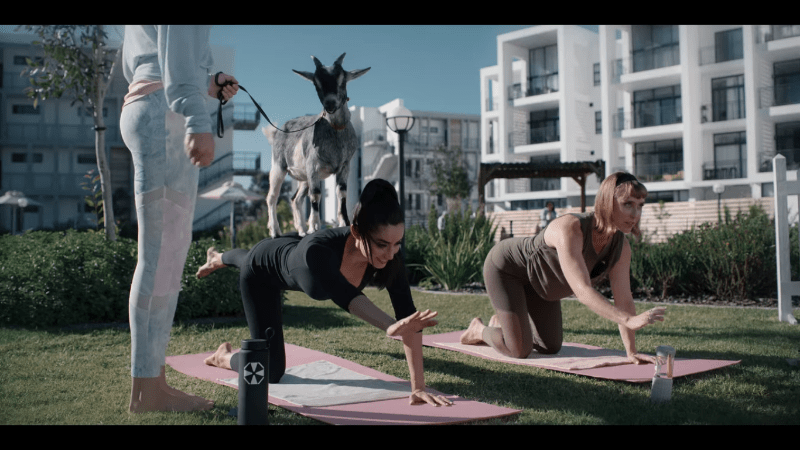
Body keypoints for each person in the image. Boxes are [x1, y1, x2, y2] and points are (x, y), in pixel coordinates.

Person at [199, 179, 453, 407]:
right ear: (356, 232)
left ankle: (217, 257)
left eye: (398, 243)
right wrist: (389, 326)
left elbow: (410, 320)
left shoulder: (390, 258)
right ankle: (223, 356)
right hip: (263, 271)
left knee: (258, 257)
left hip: (291, 248)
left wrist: (417, 386)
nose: (390, 254)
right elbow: (346, 296)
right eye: (382, 244)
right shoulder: (318, 253)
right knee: (271, 371)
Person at [120, 25, 239, 413]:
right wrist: (197, 121)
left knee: (164, 257)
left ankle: (153, 382)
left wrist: (209, 83)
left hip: (151, 109)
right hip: (164, 118)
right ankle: (146, 390)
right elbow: (171, 68)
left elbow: (153, 63)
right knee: (161, 259)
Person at [460, 172, 666, 364]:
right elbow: (582, 290)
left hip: (540, 285)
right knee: (519, 349)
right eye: (628, 204)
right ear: (608, 202)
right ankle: (478, 330)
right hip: (507, 269)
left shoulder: (621, 247)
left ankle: (506, 325)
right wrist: (628, 320)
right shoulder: (571, 228)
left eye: (640, 205)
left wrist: (631, 351)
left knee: (549, 347)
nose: (635, 213)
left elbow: (624, 298)